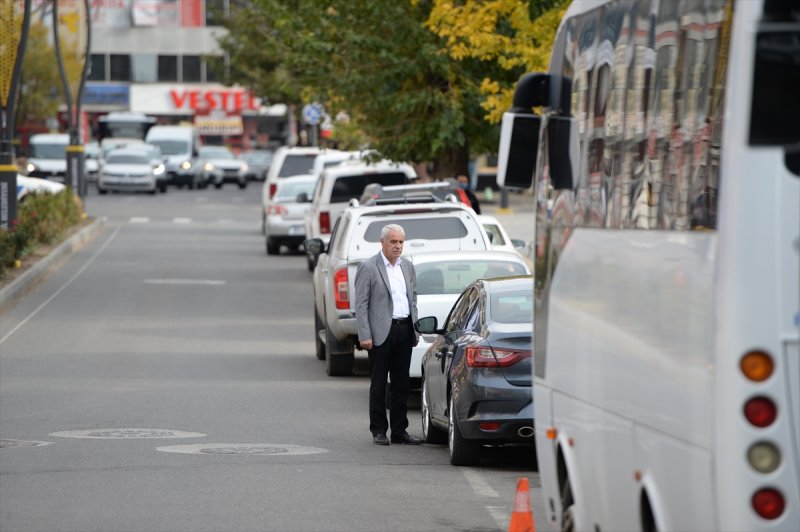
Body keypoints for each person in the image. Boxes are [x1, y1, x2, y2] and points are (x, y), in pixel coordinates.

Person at [354, 224, 422, 445]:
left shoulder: (408, 267)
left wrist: (415, 327)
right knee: (379, 383)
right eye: (393, 242)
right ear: (382, 242)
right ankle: (379, 430)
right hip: (380, 333)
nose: (398, 246)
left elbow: (412, 299)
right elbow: (361, 304)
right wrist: (365, 334)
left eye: (401, 242)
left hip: (404, 330)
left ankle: (400, 431)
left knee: (402, 383)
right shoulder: (368, 267)